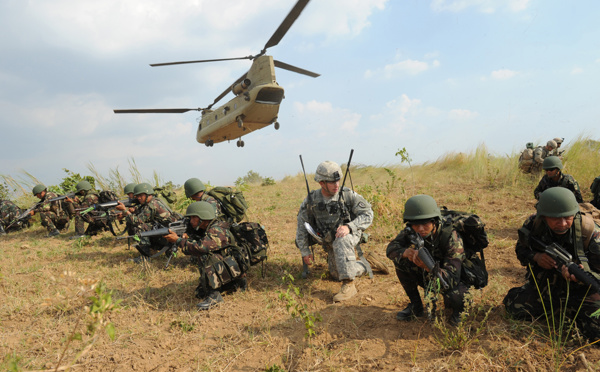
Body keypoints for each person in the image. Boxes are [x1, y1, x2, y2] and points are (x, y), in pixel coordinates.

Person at [503, 187, 600, 343]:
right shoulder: (534, 224)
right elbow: (520, 250)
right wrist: (536, 257)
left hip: (584, 290)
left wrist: (581, 274)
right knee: (513, 306)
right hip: (547, 284)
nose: (562, 223)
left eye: (567, 217)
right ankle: (562, 308)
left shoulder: (590, 232)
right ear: (543, 216)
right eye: (555, 218)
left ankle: (566, 309)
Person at [296, 160, 383, 302]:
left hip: (348, 236)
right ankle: (366, 264)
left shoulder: (348, 195)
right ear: (321, 183)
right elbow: (301, 225)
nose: (336, 185)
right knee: (336, 273)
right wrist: (305, 251)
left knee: (341, 240)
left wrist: (349, 227)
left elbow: (368, 214)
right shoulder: (311, 200)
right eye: (332, 182)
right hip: (329, 240)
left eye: (338, 181)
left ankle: (349, 285)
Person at [386, 195, 468, 326]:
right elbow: (390, 249)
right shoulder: (411, 231)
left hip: (452, 276)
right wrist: (405, 253)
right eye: (416, 224)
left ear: (434, 221)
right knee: (400, 262)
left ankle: (459, 312)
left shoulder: (451, 237)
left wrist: (429, 268)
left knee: (457, 295)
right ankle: (416, 306)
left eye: (425, 224)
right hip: (430, 273)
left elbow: (451, 279)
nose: (420, 229)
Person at [164, 201, 246, 310]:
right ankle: (230, 285)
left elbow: (201, 247)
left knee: (205, 256)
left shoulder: (217, 229)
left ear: (204, 218)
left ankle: (215, 295)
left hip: (235, 267)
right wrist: (188, 237)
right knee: (200, 293)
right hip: (231, 266)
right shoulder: (207, 227)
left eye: (194, 217)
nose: (191, 221)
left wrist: (179, 241)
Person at [115, 182, 179, 261]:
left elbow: (138, 221)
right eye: (137, 196)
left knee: (140, 227)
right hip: (166, 231)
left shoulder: (152, 204)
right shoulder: (154, 201)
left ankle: (145, 256)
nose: (138, 198)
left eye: (141, 195)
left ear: (148, 194)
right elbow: (140, 212)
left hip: (167, 233)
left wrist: (125, 211)